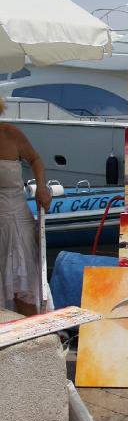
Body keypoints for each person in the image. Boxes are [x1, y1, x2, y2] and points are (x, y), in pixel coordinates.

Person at [0, 98, 52, 315]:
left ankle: (31, 331)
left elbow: (36, 160)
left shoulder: (11, 133)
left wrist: (41, 187)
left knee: (23, 289)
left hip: (17, 220)